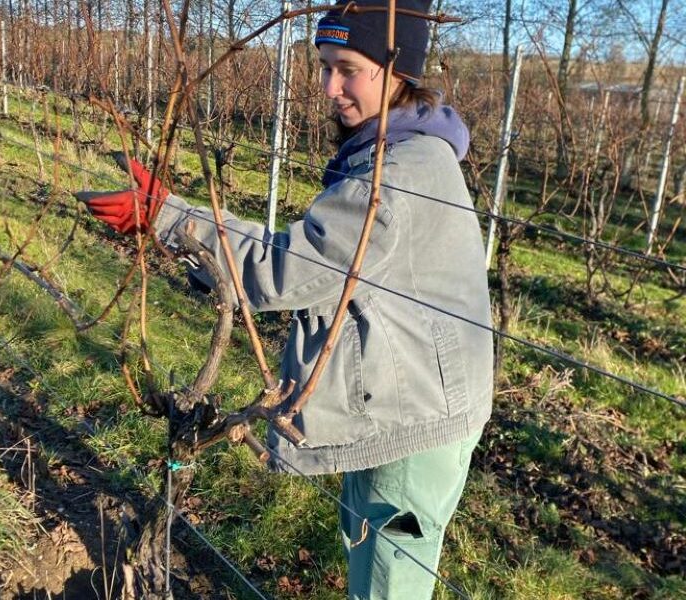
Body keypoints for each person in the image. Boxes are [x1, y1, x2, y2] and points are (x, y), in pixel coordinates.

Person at [76, 1, 493, 597]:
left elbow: (287, 267)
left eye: (347, 67)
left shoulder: (400, 174)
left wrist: (171, 219)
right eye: (323, 66)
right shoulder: (401, 150)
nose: (329, 86)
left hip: (419, 420)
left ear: (397, 68)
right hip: (413, 396)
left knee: (387, 585)